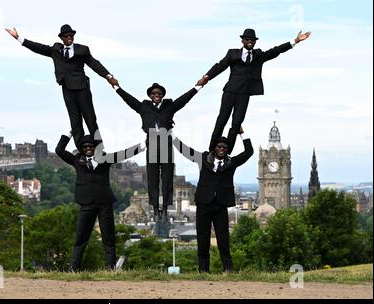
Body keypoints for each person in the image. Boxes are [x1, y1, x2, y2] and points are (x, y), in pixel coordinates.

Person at [197, 29, 311, 154]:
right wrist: (206, 77)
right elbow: (220, 66)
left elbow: (275, 51)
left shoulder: (258, 55)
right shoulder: (233, 53)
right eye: (247, 40)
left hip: (244, 94)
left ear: (255, 42)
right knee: (222, 120)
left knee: (237, 123)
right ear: (242, 41)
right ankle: (211, 150)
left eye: (252, 40)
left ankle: (226, 153)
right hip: (230, 91)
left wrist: (295, 41)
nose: (250, 42)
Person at [6, 24, 118, 148]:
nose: (69, 38)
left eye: (71, 35)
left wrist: (109, 76)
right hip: (67, 88)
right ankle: (81, 149)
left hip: (82, 88)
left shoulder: (82, 50)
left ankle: (99, 147)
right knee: (75, 121)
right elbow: (39, 48)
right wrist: (19, 38)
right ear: (62, 38)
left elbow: (94, 64)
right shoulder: (56, 49)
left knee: (90, 119)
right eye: (66, 36)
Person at [55, 132, 145, 271]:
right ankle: (73, 269)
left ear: (96, 147)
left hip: (105, 203)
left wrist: (143, 145)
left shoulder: (105, 159)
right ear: (81, 149)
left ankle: (110, 269)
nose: (88, 149)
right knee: (80, 238)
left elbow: (124, 154)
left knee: (108, 238)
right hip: (86, 204)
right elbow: (59, 150)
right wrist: (70, 133)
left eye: (91, 146)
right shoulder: (77, 160)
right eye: (85, 147)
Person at [111, 81, 202, 217]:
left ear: (162, 95)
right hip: (152, 143)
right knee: (152, 177)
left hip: (166, 142)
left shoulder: (169, 106)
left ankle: (165, 207)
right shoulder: (144, 107)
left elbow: (184, 99)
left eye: (159, 93)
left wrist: (198, 86)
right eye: (153, 93)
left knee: (167, 177)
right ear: (150, 95)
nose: (156, 95)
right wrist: (116, 87)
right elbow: (129, 100)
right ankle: (155, 207)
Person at [172, 127, 253, 272]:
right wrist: (171, 135)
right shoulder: (203, 158)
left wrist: (242, 134)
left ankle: (228, 270)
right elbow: (185, 150)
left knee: (223, 239)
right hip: (203, 204)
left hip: (221, 205)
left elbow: (249, 152)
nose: (222, 149)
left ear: (227, 150)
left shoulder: (231, 162)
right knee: (203, 238)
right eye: (219, 146)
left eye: (225, 147)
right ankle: (203, 271)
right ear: (215, 148)